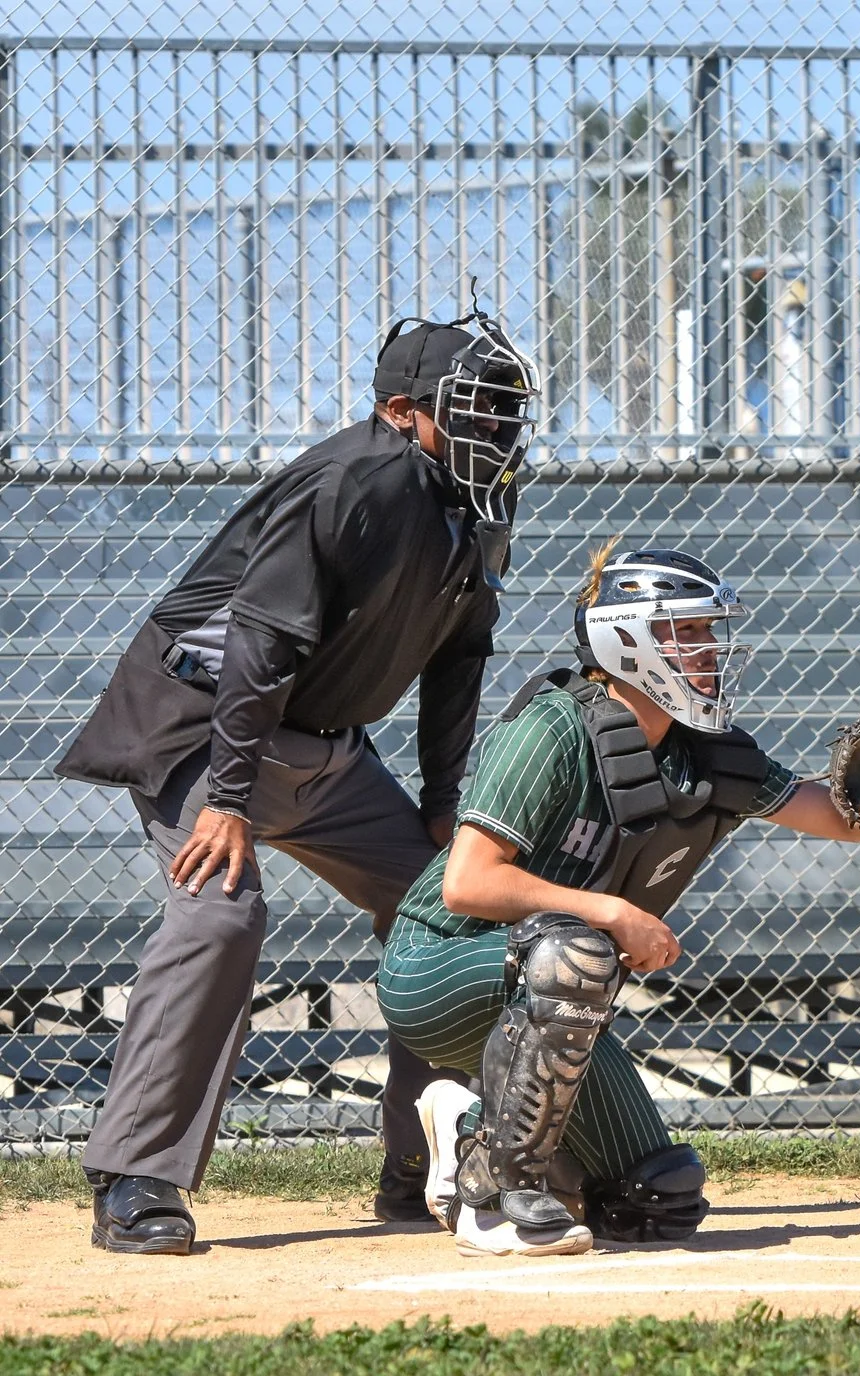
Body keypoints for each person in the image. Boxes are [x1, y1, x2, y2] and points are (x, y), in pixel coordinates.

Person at [53, 309, 539, 1255]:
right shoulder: (351, 482)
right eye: (476, 411)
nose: (500, 432)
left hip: (325, 750)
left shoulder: (475, 501)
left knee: (449, 907)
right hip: (204, 732)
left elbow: (460, 663)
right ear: (402, 411)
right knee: (221, 915)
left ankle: (425, 1160)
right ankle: (136, 1175)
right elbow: (258, 650)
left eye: (508, 412)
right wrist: (228, 801)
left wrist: (445, 807)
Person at [380, 545, 860, 1257]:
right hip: (438, 965)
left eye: (709, 633)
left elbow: (835, 817)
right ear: (626, 639)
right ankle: (489, 1190)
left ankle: (471, 1118)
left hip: (547, 983)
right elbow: (468, 883)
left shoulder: (698, 752)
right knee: (577, 952)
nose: (709, 650)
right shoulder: (554, 728)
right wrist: (613, 912)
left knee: (656, 1199)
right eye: (687, 634)